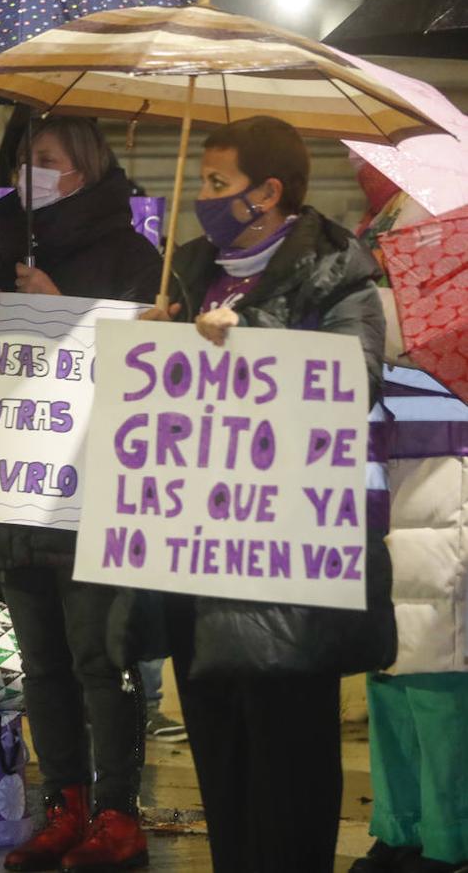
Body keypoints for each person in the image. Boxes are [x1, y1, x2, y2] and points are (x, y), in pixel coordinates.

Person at [141, 115, 395, 873]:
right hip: (196, 558)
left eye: (219, 185)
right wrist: (158, 336)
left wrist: (246, 339)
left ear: (269, 193)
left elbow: (354, 382)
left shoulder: (339, 270)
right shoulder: (187, 270)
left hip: (288, 569)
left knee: (290, 766)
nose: (205, 199)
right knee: (222, 759)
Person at [0, 116, 161, 873]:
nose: (32, 171)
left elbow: (151, 372)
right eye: (25, 159)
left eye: (49, 160)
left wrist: (63, 307)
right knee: (43, 665)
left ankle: (119, 809)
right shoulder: (1, 251)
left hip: (91, 502)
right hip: (14, 500)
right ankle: (66, 803)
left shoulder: (132, 257)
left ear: (86, 170)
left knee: (101, 660)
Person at [346, 161, 466, 873]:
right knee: (386, 664)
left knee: (437, 670)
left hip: (442, 474)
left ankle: (446, 839)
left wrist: (364, 305)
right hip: (382, 470)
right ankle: (398, 826)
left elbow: (416, 333)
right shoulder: (377, 229)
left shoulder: (442, 227)